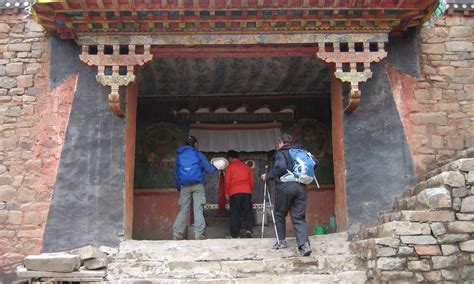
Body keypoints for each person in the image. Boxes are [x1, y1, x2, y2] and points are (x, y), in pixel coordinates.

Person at [260, 133, 312, 256]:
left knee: (279, 214)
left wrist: (268, 176)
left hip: (286, 186)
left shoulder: (281, 153)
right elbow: (315, 163)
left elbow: (281, 167)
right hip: (301, 186)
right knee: (298, 217)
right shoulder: (301, 152)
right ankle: (304, 245)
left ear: (281, 142)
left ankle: (281, 241)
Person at [173, 135, 217, 240]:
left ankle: (177, 233)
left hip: (184, 186)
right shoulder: (198, 154)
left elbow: (175, 173)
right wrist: (216, 166)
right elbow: (209, 170)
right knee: (198, 209)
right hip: (197, 185)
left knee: (183, 209)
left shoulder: (179, 155)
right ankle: (198, 234)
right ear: (196, 144)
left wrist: (178, 186)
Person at [224, 150, 255, 238]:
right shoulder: (246, 166)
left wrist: (227, 192)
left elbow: (227, 181)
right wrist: (250, 190)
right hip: (247, 191)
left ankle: (235, 234)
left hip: (235, 192)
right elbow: (252, 180)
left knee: (235, 213)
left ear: (230, 158)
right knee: (247, 212)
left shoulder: (230, 167)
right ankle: (249, 230)